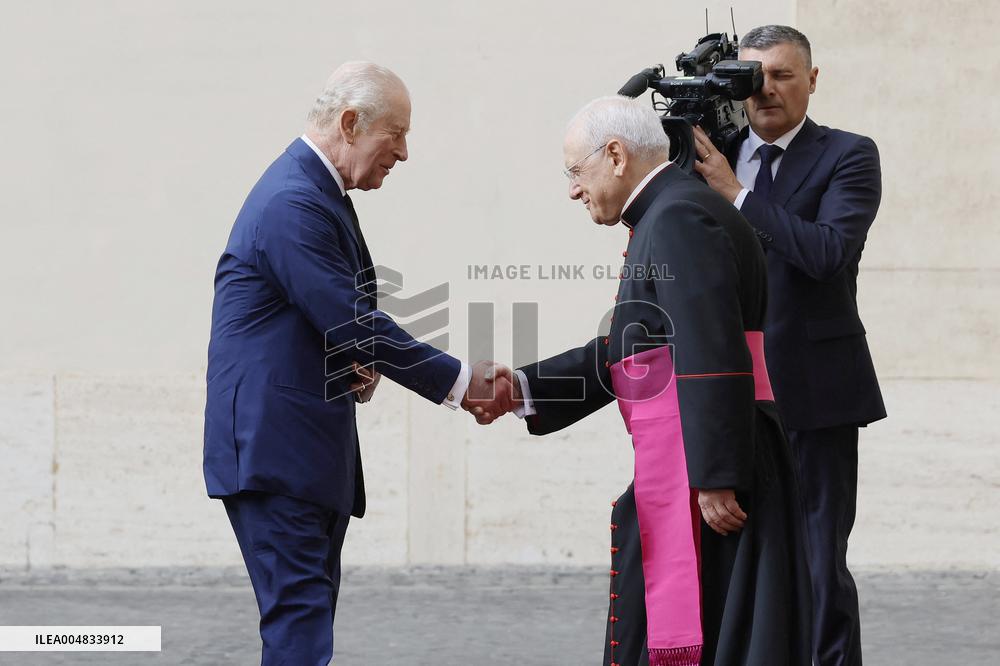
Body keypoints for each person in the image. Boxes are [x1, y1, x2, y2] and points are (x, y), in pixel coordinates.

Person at [483, 95, 812, 665]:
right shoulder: (672, 211)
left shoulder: (678, 218)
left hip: (710, 472)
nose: (573, 190)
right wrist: (525, 387)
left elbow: (710, 345)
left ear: (615, 155)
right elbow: (635, 351)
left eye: (575, 171)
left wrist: (716, 475)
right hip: (704, 455)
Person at [203, 61, 512, 666]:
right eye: (396, 133)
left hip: (297, 449)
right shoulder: (293, 201)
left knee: (304, 621)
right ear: (350, 124)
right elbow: (351, 320)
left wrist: (351, 360)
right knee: (300, 625)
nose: (403, 152)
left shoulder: (314, 193)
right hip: (276, 451)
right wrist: (459, 382)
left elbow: (320, 320)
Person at [693, 25, 885, 666]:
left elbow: (828, 252)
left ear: (812, 79)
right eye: (753, 77)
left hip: (813, 390)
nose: (766, 89)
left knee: (818, 559)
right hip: (727, 392)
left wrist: (737, 195)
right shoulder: (709, 152)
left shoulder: (848, 154)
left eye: (781, 74)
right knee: (734, 560)